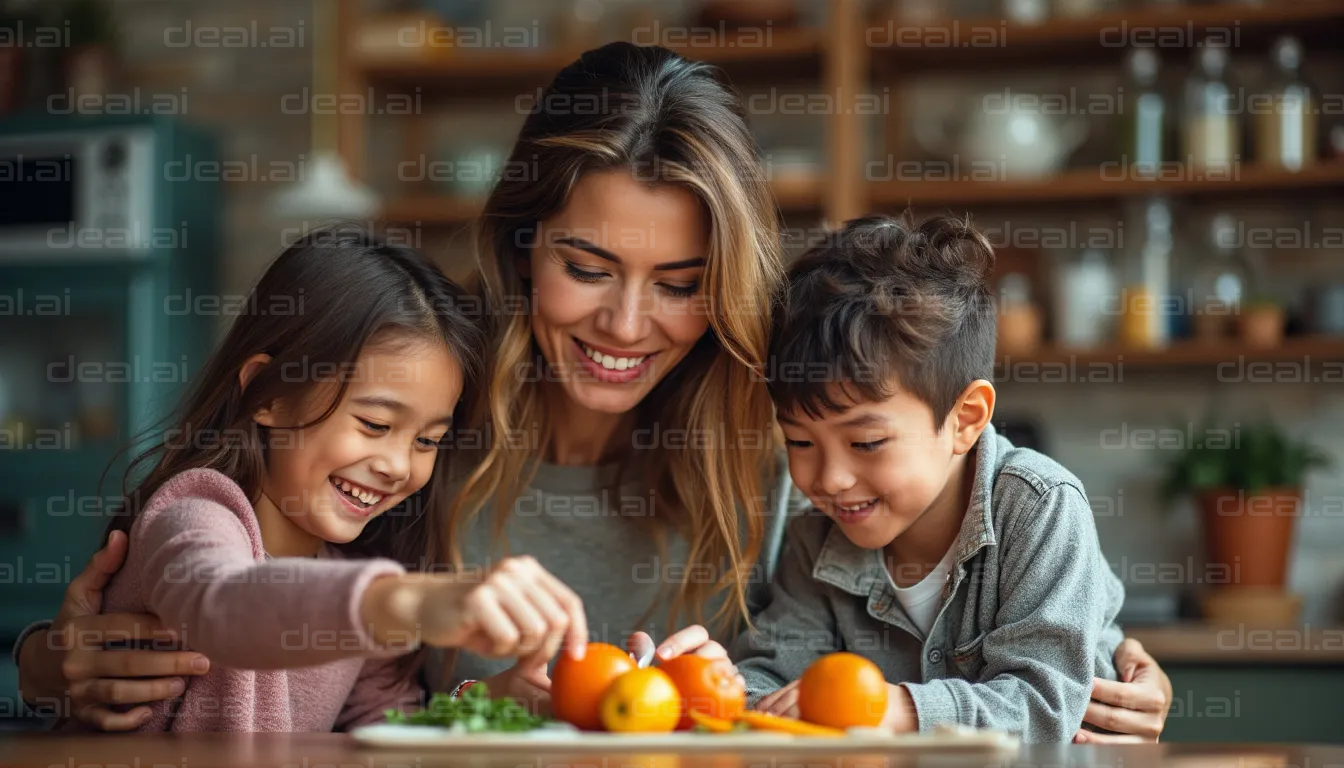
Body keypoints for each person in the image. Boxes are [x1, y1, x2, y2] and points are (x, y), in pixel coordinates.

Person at [13, 43, 1170, 741]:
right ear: (522, 247)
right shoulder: (428, 415)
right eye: (586, 268)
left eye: (678, 284)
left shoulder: (790, 444)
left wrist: (1085, 690)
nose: (626, 327)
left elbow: (876, 671)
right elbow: (244, 591)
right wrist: (35, 663)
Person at [41, 226, 588, 731]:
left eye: (427, 440)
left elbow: (382, 729)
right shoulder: (197, 509)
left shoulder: (352, 572)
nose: (398, 465)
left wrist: (486, 699)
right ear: (269, 393)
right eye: (375, 423)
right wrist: (408, 603)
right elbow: (222, 605)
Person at [735, 215, 1126, 742]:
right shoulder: (815, 538)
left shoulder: (1040, 509)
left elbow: (1044, 705)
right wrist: (719, 688)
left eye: (866, 442)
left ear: (964, 420)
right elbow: (770, 680)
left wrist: (897, 710)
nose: (829, 478)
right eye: (800, 442)